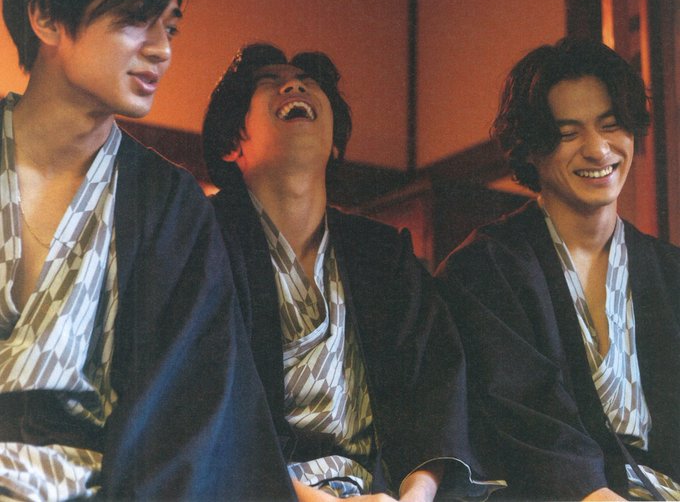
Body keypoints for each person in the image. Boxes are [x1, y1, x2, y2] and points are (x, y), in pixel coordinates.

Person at [0, 0, 293, 500]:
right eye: (136, 20)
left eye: (171, 28)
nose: (161, 50)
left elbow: (194, 410)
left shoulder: (169, 203)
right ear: (46, 17)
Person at [202, 42, 503, 502]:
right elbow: (195, 403)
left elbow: (432, 387)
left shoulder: (381, 253)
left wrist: (416, 495)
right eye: (269, 82)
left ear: (336, 142)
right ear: (231, 143)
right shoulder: (201, 241)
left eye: (307, 82)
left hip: (380, 490)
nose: (294, 85)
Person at [436, 37, 680, 500]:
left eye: (611, 126)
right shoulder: (483, 271)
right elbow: (522, 415)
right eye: (568, 134)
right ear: (531, 149)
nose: (598, 150)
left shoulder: (671, 273)